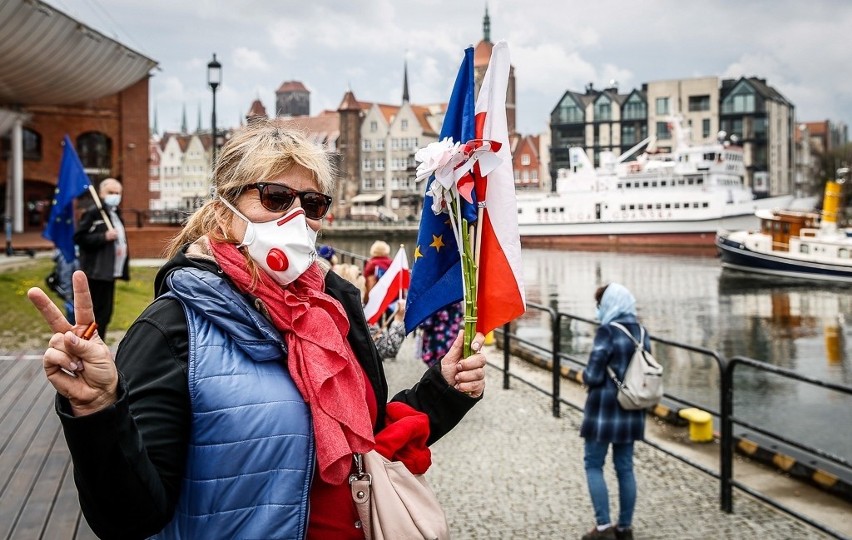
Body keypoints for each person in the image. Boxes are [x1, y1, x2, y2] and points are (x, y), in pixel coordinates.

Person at [26, 120, 487, 540]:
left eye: (312, 202)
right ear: (224, 209)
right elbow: (129, 517)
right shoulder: (172, 327)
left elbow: (367, 439)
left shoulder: (334, 309)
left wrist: (443, 389)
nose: (297, 217)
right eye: (275, 198)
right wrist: (99, 410)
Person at [580, 283, 649, 540]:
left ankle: (603, 527)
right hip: (631, 409)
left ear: (610, 304)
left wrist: (584, 376)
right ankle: (625, 527)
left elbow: (594, 373)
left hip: (603, 411)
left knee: (594, 464)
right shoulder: (642, 333)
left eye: (601, 304)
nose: (599, 309)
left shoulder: (608, 331)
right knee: (625, 467)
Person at [73, 177, 129, 341]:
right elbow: (79, 238)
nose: (115, 196)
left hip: (110, 272)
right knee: (95, 314)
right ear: (101, 193)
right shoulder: (93, 213)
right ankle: (88, 343)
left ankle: (99, 343)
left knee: (106, 314)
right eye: (111, 192)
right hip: (96, 272)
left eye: (118, 193)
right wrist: (103, 236)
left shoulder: (115, 214)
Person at [417, 300, 464, 368]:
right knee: (448, 364)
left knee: (436, 366)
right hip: (452, 339)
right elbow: (459, 316)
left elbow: (426, 323)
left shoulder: (435, 301)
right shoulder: (455, 300)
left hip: (435, 340)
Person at [362, 240, 392, 304]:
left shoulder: (371, 263)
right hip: (390, 294)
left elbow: (366, 278)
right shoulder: (391, 263)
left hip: (375, 295)